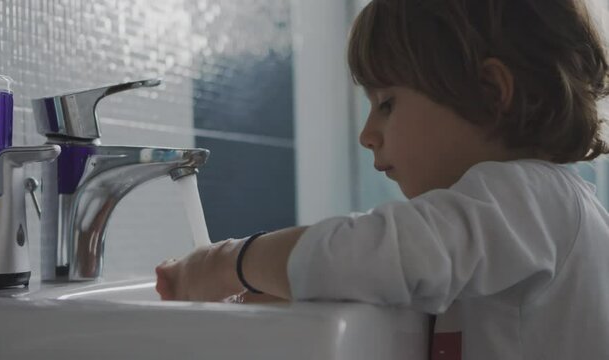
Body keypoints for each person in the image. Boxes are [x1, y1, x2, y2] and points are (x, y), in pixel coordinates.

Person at [155, 0, 609, 358]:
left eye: (386, 103)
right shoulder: (515, 221)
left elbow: (366, 257)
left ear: (490, 93)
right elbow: (397, 282)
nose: (367, 134)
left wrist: (225, 264)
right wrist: (267, 292)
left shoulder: (531, 198)